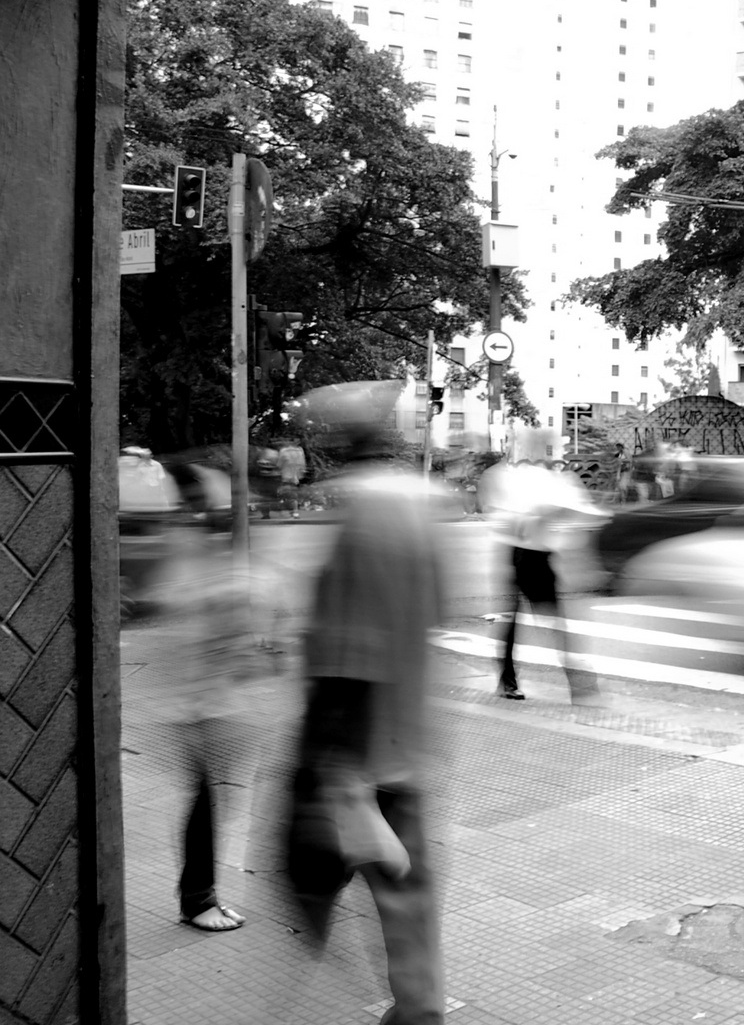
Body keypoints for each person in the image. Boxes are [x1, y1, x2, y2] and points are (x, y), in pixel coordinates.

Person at [289, 380, 447, 1024]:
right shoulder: (421, 500)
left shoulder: (356, 510)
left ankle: (406, 1006)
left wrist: (329, 756)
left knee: (332, 865)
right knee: (408, 888)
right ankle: (419, 1006)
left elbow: (343, 647)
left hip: (359, 738)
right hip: (409, 729)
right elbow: (435, 609)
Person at [157, 464, 263, 932]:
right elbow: (192, 634)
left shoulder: (197, 554)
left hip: (206, 703)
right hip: (196, 708)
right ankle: (197, 900)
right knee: (205, 802)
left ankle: (201, 896)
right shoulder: (189, 556)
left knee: (211, 801)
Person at [486, 461, 607, 705]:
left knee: (525, 623)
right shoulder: (535, 494)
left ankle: (509, 681)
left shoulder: (529, 492)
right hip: (529, 559)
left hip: (531, 558)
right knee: (546, 622)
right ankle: (581, 686)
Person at [276, 441, 306, 518]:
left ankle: (293, 512)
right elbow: (303, 465)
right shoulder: (299, 451)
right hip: (295, 476)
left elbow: (279, 464)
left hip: (286, 475)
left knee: (288, 494)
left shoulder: (283, 451)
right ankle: (293, 511)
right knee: (292, 494)